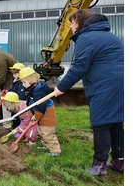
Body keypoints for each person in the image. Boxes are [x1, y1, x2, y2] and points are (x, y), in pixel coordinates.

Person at [53, 9, 124, 175]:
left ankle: (99, 165)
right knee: (115, 122)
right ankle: (120, 161)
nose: (70, 25)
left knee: (101, 123)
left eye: (72, 22)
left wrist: (61, 87)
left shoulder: (87, 37)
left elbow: (79, 67)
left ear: (81, 22)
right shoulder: (110, 36)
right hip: (121, 83)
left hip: (104, 85)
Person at [19, 67, 61, 157]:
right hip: (40, 115)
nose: (23, 85)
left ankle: (55, 151)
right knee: (41, 132)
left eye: (24, 82)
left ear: (31, 81)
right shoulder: (32, 89)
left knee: (47, 133)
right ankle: (47, 146)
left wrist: (36, 118)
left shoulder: (38, 92)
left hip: (46, 115)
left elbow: (41, 108)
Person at [7, 63, 26, 129]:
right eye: (13, 74)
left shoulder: (21, 83)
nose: (13, 75)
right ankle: (15, 129)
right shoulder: (16, 82)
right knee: (14, 117)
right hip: (15, 103)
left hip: (20, 103)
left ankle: (19, 129)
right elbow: (13, 90)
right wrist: (8, 91)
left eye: (15, 74)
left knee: (20, 118)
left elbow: (20, 94)